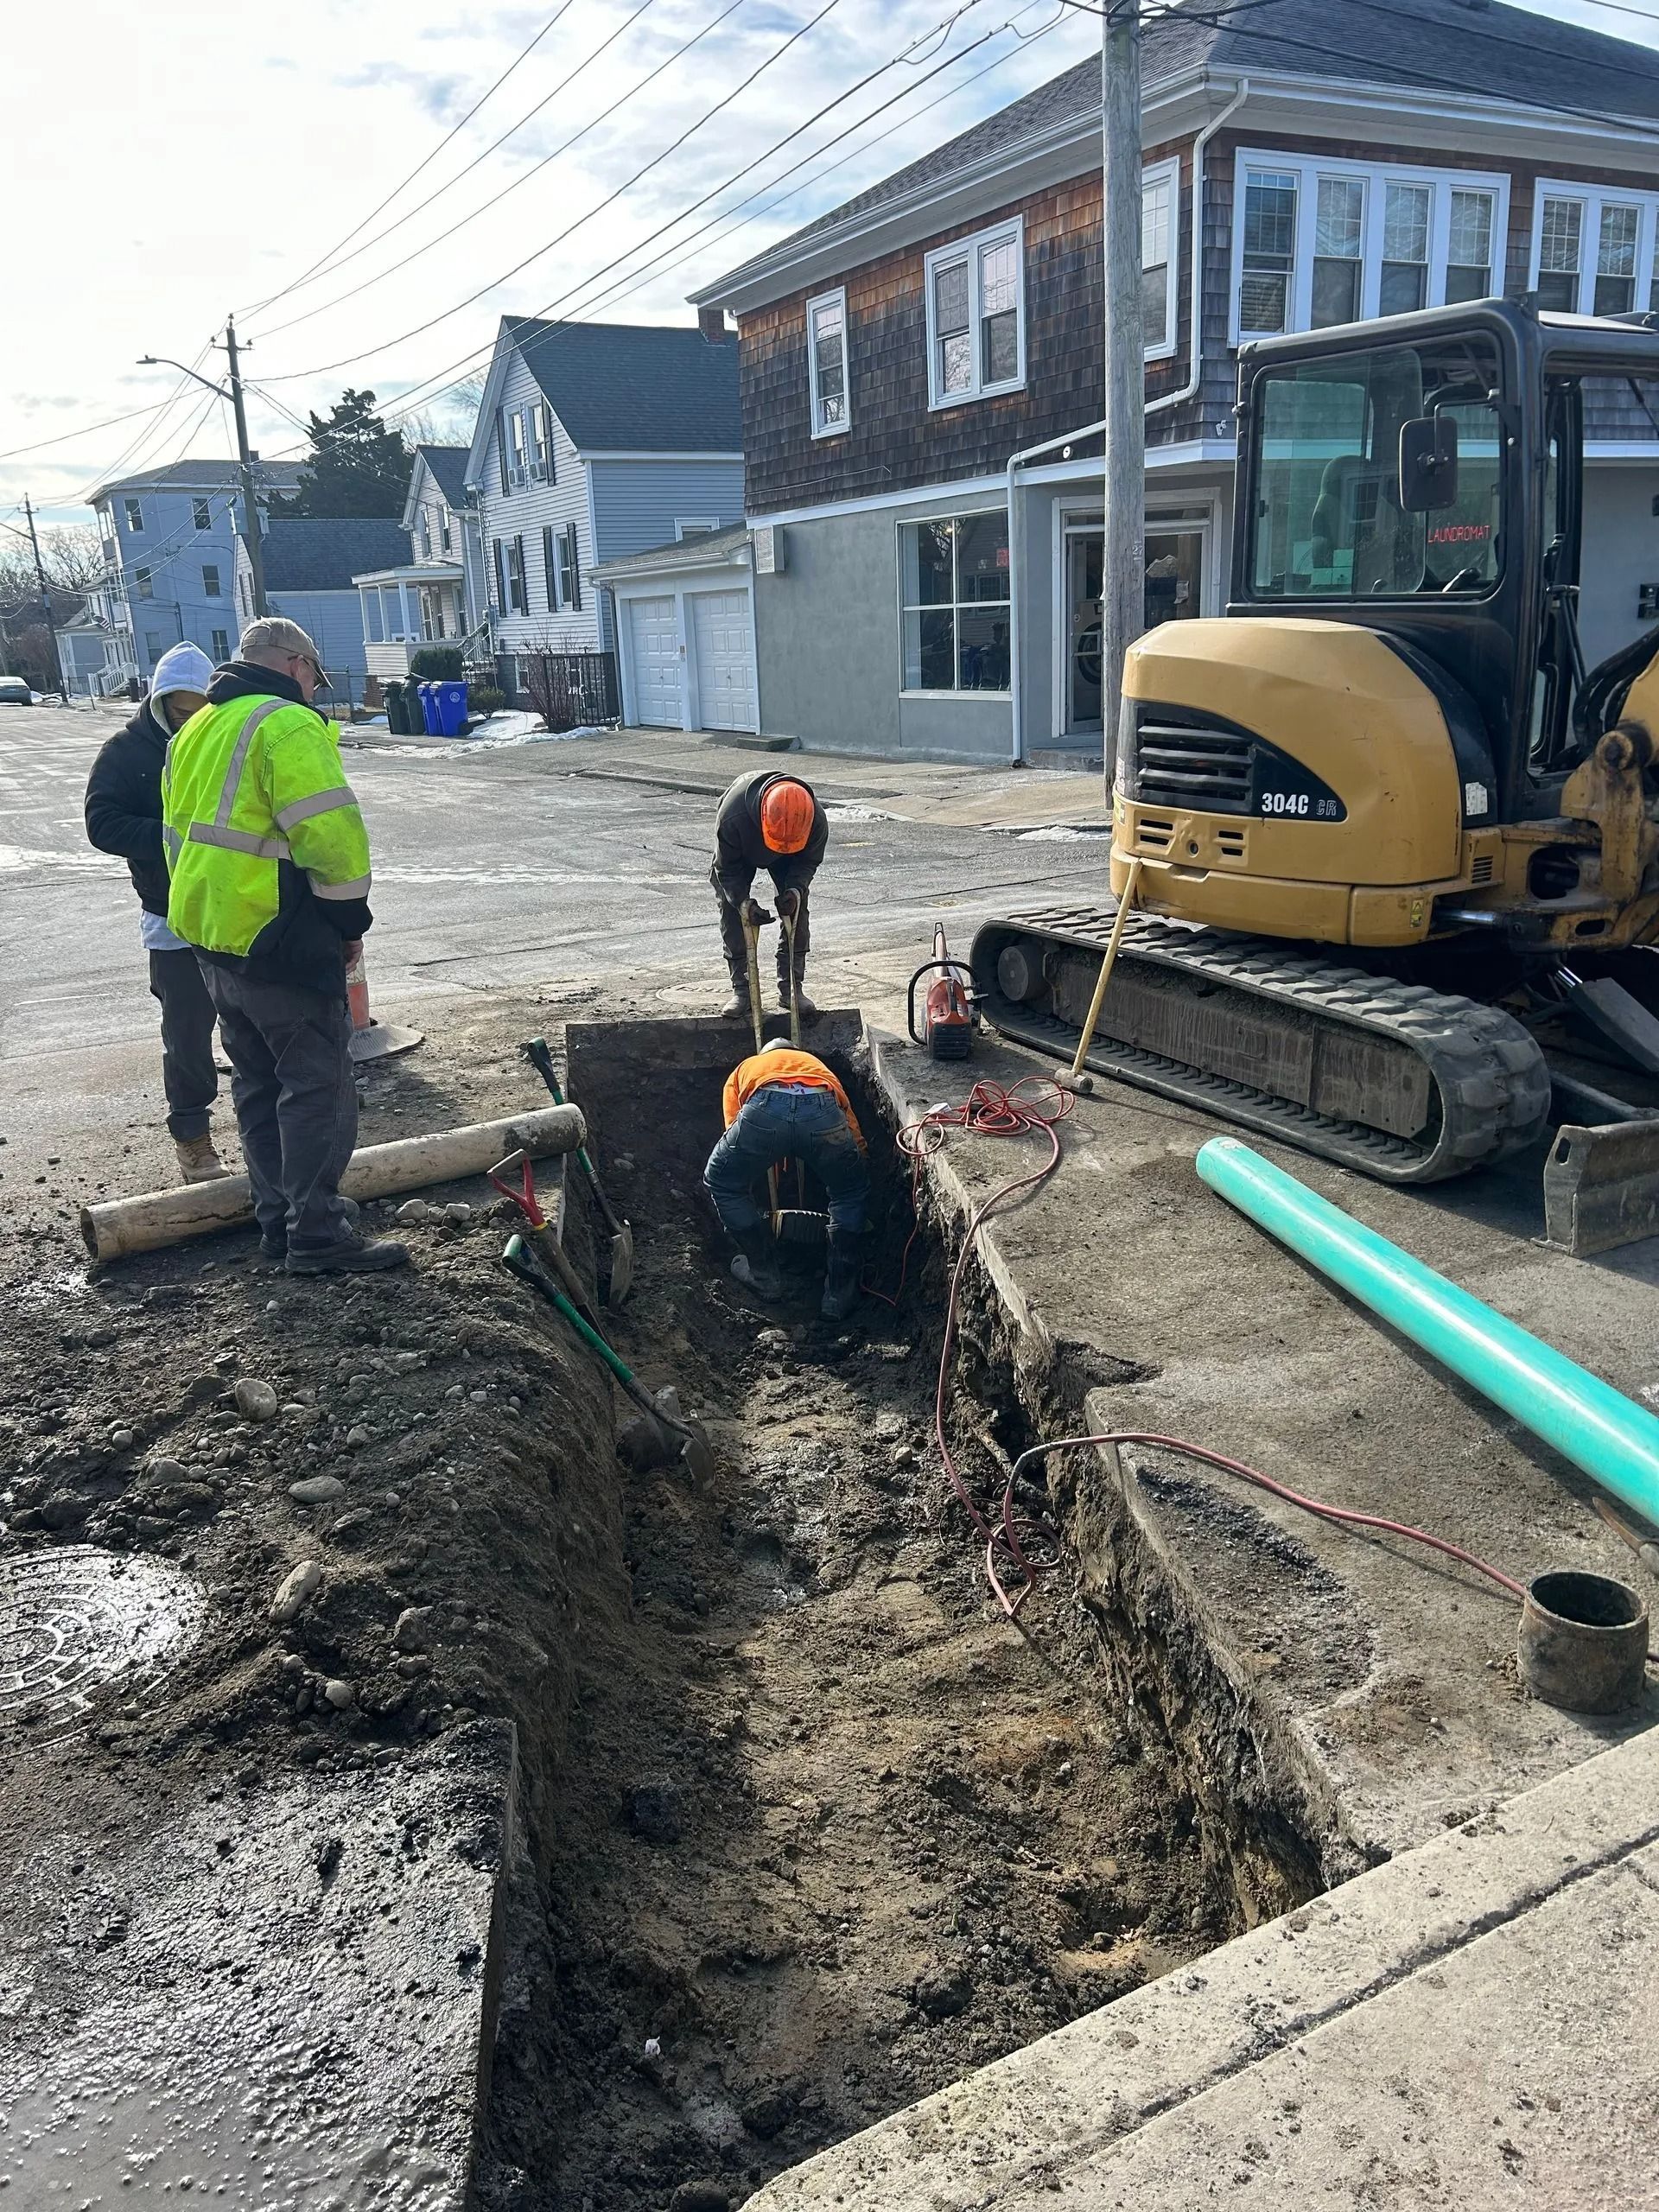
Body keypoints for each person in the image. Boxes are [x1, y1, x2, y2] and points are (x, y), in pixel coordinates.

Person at [161, 617, 406, 1275]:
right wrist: (347, 923)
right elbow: (330, 839)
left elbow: (178, 836)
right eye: (315, 676)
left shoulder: (196, 728)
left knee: (259, 1085)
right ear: (298, 665)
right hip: (280, 940)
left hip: (215, 939)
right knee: (316, 1088)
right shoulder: (286, 726)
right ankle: (318, 1234)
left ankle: (279, 1221)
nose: (315, 689)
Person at [84, 641, 228, 1185]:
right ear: (159, 702)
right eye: (178, 708)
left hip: (231, 908)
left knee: (250, 1024)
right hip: (170, 916)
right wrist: (170, 840)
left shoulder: (221, 743)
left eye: (198, 708)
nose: (188, 718)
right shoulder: (126, 752)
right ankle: (193, 1137)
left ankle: (268, 1132)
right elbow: (102, 824)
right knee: (188, 1031)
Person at [703, 1039, 868, 1320]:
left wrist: (763, 1156)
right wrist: (857, 1171)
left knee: (722, 1181)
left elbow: (733, 1128)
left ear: (765, 1056)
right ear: (796, 1053)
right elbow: (852, 1130)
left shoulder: (748, 1067)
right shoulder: (820, 1070)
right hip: (823, 1110)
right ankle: (839, 1296)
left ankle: (764, 1276)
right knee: (849, 1193)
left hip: (764, 1109)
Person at [711, 769, 827, 1020]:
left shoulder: (815, 818)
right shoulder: (733, 818)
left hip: (792, 858)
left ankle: (791, 989)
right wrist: (743, 903)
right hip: (740, 852)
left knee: (797, 911)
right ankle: (743, 991)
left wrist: (795, 889)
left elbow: (808, 862)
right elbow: (726, 870)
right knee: (733, 913)